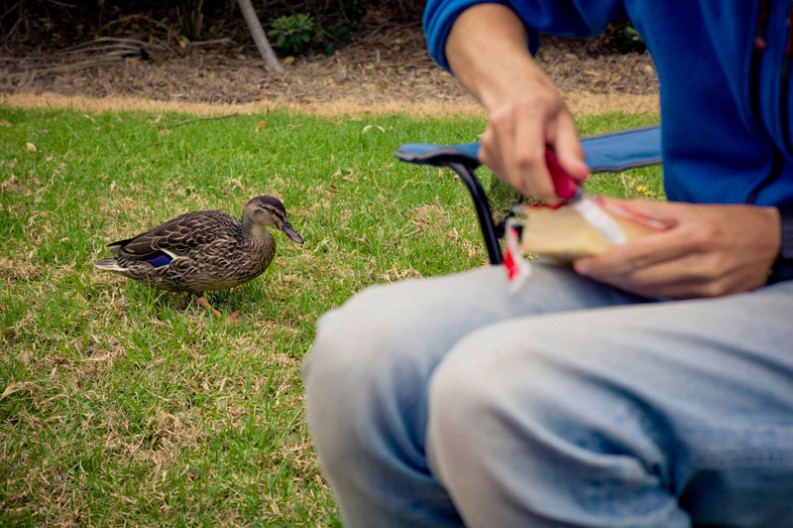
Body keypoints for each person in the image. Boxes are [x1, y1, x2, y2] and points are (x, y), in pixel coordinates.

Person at [302, 1, 793, 526]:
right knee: (363, 358)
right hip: (688, 267)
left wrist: (776, 237)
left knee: (508, 399)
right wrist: (514, 86)